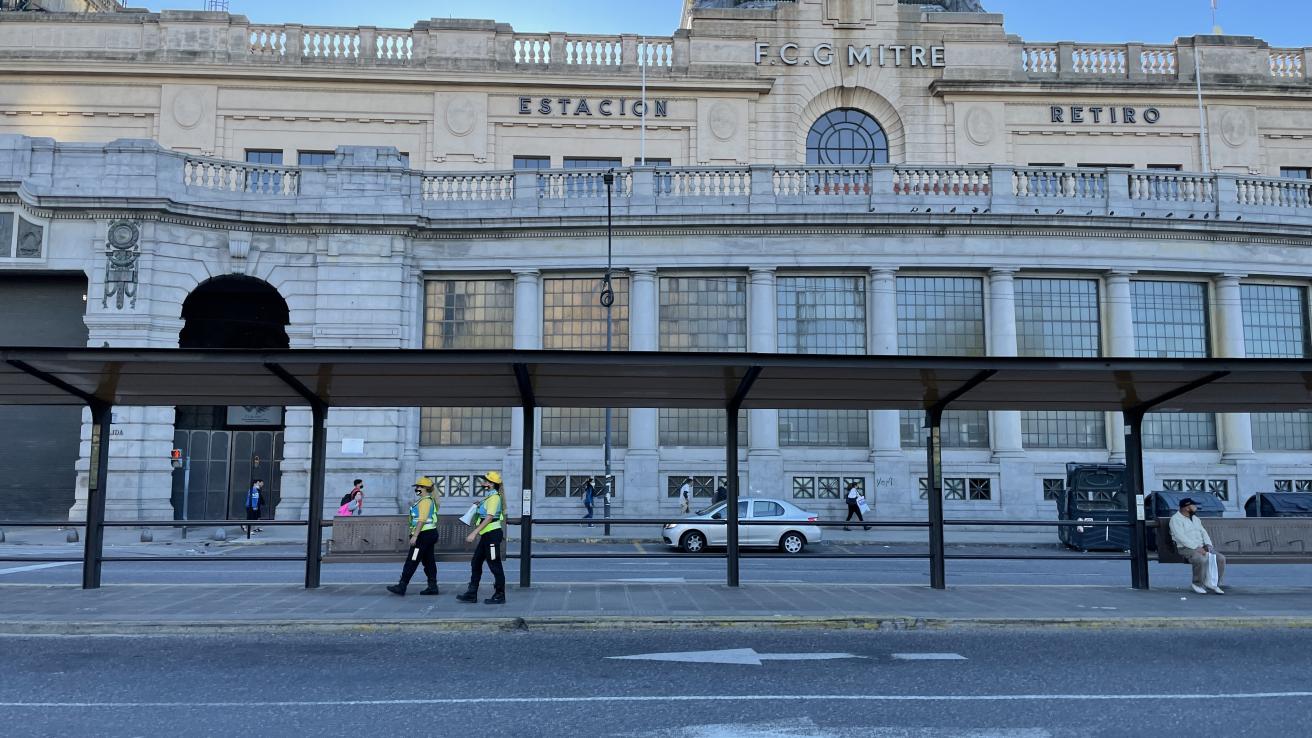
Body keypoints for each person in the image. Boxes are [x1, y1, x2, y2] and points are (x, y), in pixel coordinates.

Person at [457, 471, 507, 605]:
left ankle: (499, 594)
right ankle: (471, 593)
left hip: (492, 535)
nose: (483, 483)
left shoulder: (494, 497)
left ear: (491, 484)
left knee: (494, 564)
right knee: (476, 562)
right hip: (487, 535)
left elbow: (490, 517)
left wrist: (474, 533)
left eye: (485, 481)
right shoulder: (489, 497)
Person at [387, 477, 441, 596]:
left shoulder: (426, 501)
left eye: (419, 487)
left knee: (412, 560)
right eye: (416, 487)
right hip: (429, 534)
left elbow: (421, 520)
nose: (417, 489)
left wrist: (415, 536)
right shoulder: (426, 500)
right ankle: (432, 586)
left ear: (426, 488)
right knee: (428, 561)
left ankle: (402, 586)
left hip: (423, 536)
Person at [1169, 497, 1226, 595]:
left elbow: (1203, 532)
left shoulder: (1195, 518)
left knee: (1220, 558)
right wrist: (1196, 548)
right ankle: (1197, 584)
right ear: (1187, 508)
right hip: (1185, 548)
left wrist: (1208, 544)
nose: (1196, 507)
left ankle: (1213, 583)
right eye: (1193, 505)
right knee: (1200, 559)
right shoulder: (1175, 520)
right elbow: (1180, 537)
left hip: (1201, 546)